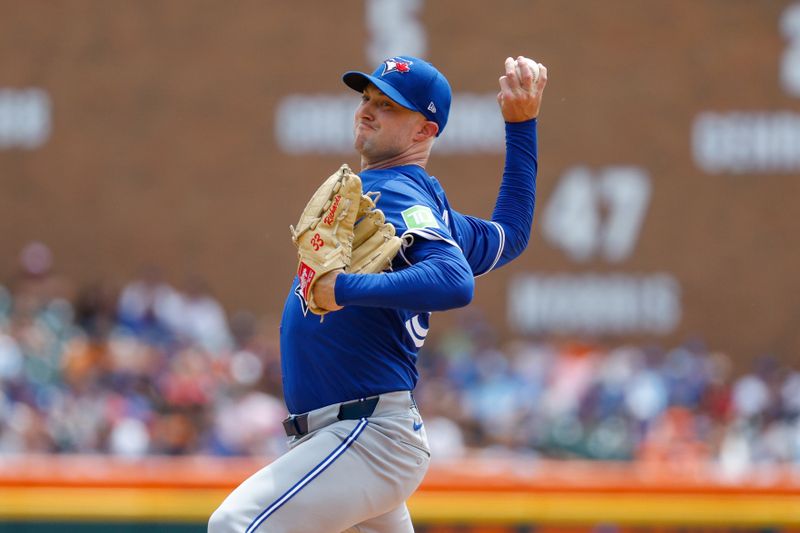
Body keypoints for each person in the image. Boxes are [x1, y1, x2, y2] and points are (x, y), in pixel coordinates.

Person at [209, 54, 547, 533]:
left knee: (235, 526)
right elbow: (509, 233)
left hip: (365, 436)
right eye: (366, 98)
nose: (366, 110)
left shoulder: (393, 193)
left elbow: (454, 281)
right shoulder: (430, 211)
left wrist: (342, 287)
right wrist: (521, 126)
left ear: (424, 132)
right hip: (352, 438)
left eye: (388, 106)